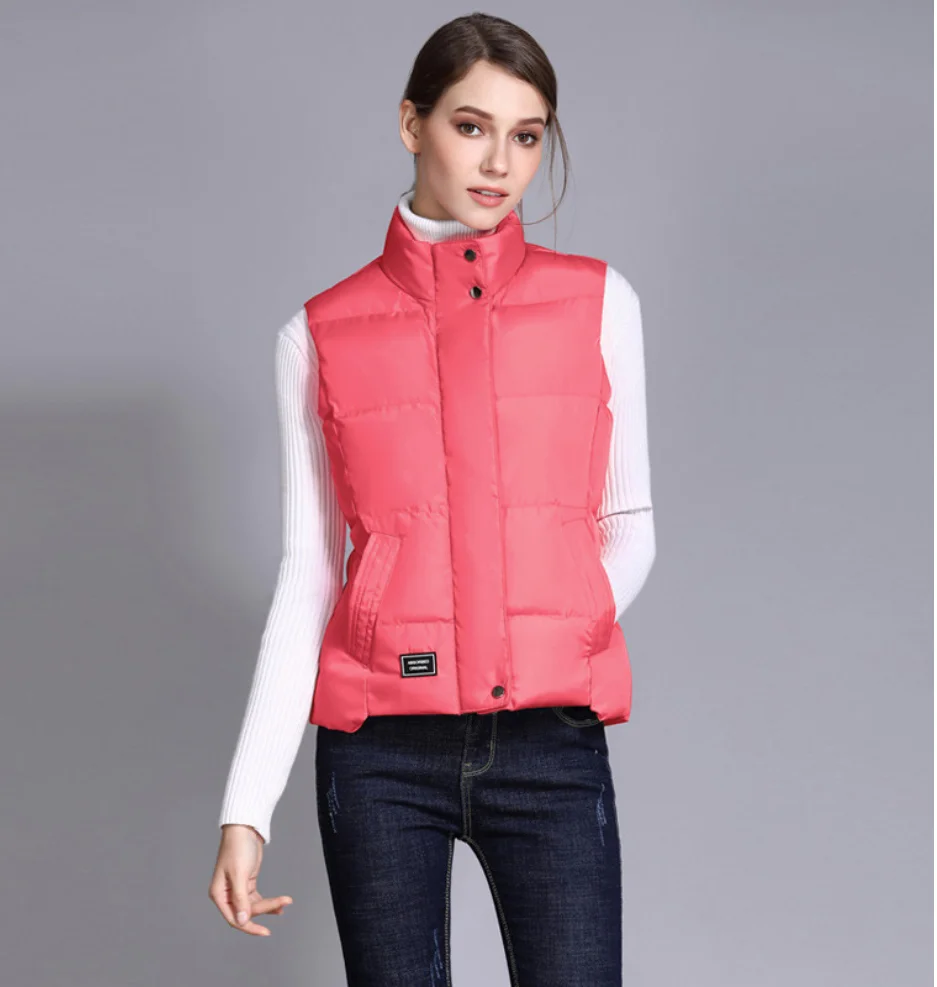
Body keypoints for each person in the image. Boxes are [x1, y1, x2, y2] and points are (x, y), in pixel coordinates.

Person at [208, 12, 655, 986]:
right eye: (470, 126)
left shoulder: (598, 303)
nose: (499, 162)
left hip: (549, 745)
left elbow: (628, 527)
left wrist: (553, 635)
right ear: (411, 123)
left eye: (526, 136)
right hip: (379, 756)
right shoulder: (319, 334)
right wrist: (246, 807)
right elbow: (308, 575)